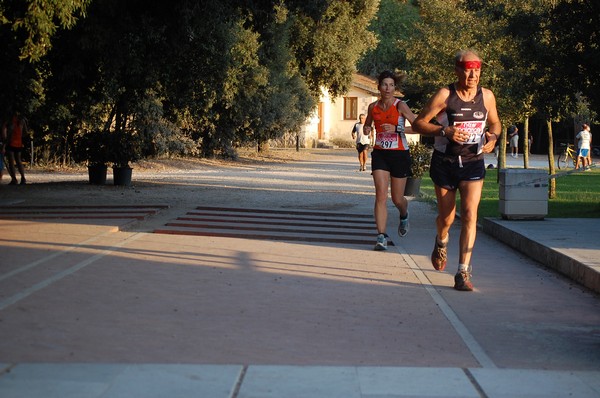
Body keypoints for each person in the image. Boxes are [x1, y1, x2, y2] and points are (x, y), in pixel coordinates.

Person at [412, 50, 501, 291]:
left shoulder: (487, 97)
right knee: (447, 218)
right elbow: (418, 123)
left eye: (477, 70)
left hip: (473, 162)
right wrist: (444, 131)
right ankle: (441, 241)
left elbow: (495, 123)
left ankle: (463, 272)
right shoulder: (444, 95)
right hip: (445, 164)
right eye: (468, 69)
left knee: (471, 214)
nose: (473, 75)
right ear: (457, 70)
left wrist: (493, 136)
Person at [363, 70, 417, 251]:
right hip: (380, 154)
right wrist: (367, 129)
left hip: (400, 154)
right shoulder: (373, 107)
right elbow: (367, 124)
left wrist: (397, 128)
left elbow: (418, 125)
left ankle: (404, 213)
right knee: (380, 195)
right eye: (385, 85)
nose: (388, 88)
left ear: (395, 88)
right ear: (379, 87)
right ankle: (381, 236)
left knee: (396, 198)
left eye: (391, 85)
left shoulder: (400, 106)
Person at [3, 111, 28, 185]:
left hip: (10, 142)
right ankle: (23, 178)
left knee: (11, 161)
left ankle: (14, 179)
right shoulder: (22, 120)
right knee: (18, 160)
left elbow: (4, 130)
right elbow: (25, 132)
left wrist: (4, 141)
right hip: (19, 142)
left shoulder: (9, 120)